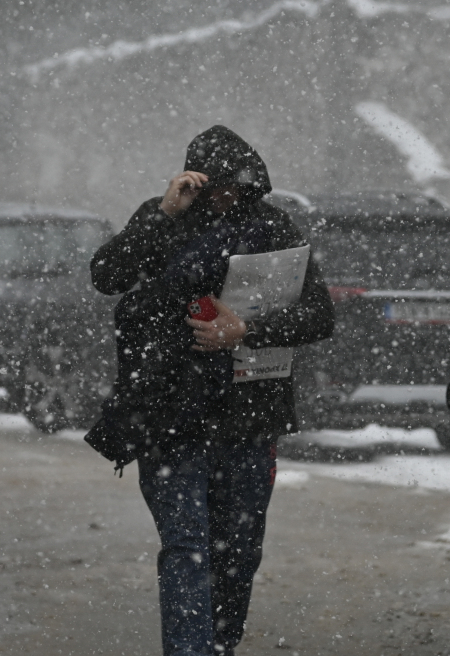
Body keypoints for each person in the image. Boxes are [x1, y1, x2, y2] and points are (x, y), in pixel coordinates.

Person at [86, 125, 334, 656]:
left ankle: (219, 644)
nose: (222, 198)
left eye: (232, 187)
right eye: (211, 186)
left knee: (239, 552)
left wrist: (245, 330)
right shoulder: (163, 219)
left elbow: (320, 314)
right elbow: (106, 275)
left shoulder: (271, 227)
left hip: (247, 419)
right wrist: (164, 215)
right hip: (169, 415)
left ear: (251, 184)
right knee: (187, 549)